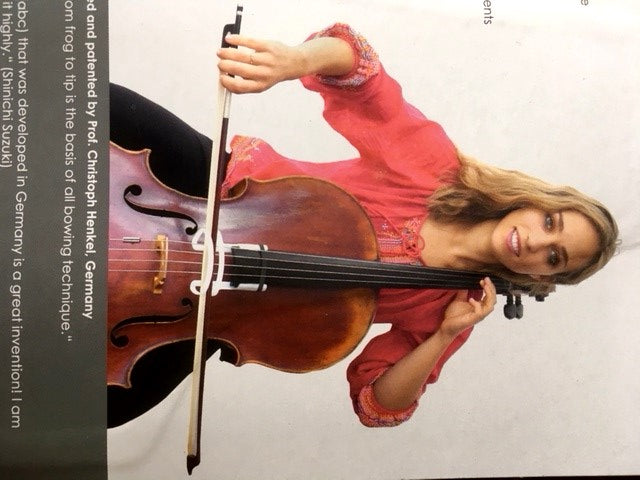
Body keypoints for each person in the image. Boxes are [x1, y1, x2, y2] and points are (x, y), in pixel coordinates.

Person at [110, 24, 618, 428]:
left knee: (105, 408)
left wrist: (443, 335)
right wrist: (294, 61)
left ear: (543, 278)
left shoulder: (450, 310)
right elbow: (359, 65)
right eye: (550, 222)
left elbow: (378, 404)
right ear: (536, 202)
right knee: (91, 104)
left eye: (554, 256)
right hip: (211, 194)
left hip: (210, 311)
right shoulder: (433, 169)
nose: (536, 241)